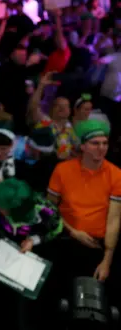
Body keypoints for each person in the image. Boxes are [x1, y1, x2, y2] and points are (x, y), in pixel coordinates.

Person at [48, 120, 121, 283]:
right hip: (64, 240)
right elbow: (49, 209)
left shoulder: (116, 175)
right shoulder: (62, 170)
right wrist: (73, 231)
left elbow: (114, 219)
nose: (101, 148)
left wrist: (107, 260)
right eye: (95, 143)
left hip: (96, 246)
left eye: (105, 143)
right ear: (83, 146)